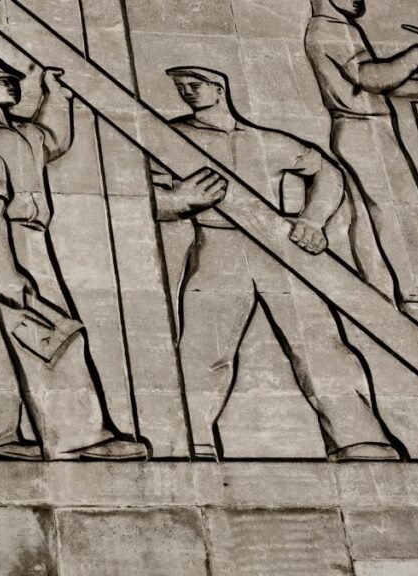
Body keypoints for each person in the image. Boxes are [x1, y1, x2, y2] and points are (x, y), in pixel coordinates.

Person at [153, 66, 401, 462]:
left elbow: (327, 171)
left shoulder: (264, 140)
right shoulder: (170, 136)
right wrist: (176, 201)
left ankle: (359, 438)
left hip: (276, 248)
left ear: (219, 88)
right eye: (180, 87)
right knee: (205, 347)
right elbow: (131, 188)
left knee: (317, 339)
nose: (186, 92)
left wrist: (312, 219)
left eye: (194, 85)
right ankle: (189, 439)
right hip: (217, 245)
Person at [0, 57, 149, 461]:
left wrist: (55, 94)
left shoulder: (17, 131)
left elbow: (52, 139)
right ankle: (80, 438)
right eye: (4, 81)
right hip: (8, 241)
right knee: (54, 335)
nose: (13, 86)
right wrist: (3, 266)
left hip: (26, 239)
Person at [305, 0, 418, 313]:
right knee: (401, 210)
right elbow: (368, 77)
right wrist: (411, 58)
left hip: (364, 126)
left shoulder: (340, 27)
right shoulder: (326, 28)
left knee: (372, 215)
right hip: (363, 129)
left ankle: (382, 292)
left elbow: (374, 87)